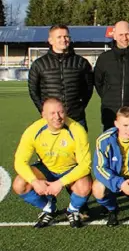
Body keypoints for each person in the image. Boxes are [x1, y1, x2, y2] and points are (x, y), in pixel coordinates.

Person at [12, 97, 92, 228]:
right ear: (43, 115)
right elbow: (20, 161)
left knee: (85, 187)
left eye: (60, 112)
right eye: (52, 113)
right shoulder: (33, 130)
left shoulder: (76, 129)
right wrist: (34, 181)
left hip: (70, 168)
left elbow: (85, 165)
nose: (58, 117)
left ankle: (72, 210)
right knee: (19, 184)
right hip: (47, 168)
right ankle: (49, 209)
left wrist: (60, 183)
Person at [28, 25, 94, 131]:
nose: (63, 40)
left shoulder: (81, 62)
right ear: (50, 40)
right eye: (59, 37)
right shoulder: (39, 64)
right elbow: (33, 91)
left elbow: (88, 88)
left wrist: (79, 107)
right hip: (51, 119)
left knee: (80, 147)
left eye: (66, 36)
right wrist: (44, 110)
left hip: (76, 118)